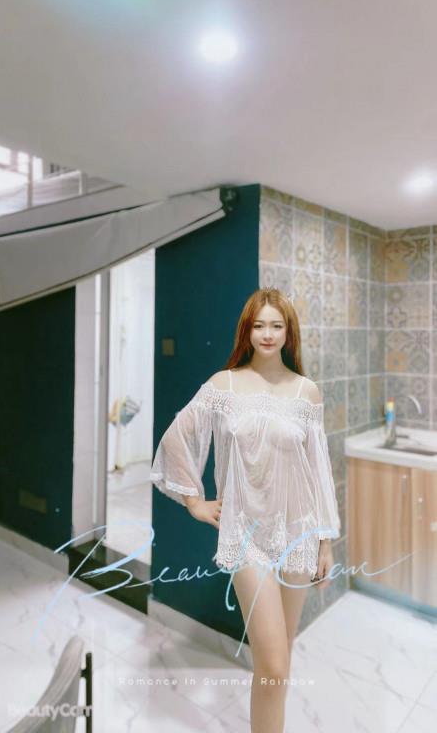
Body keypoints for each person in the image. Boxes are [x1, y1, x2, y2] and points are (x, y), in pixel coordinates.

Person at [149, 287, 341, 733]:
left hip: (299, 533)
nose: (267, 334)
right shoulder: (225, 385)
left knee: (282, 659)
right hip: (246, 536)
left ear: (289, 332)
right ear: (247, 331)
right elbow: (178, 438)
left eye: (276, 325)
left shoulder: (306, 392)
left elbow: (318, 470)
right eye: (259, 325)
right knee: (271, 662)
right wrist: (193, 500)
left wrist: (325, 542)